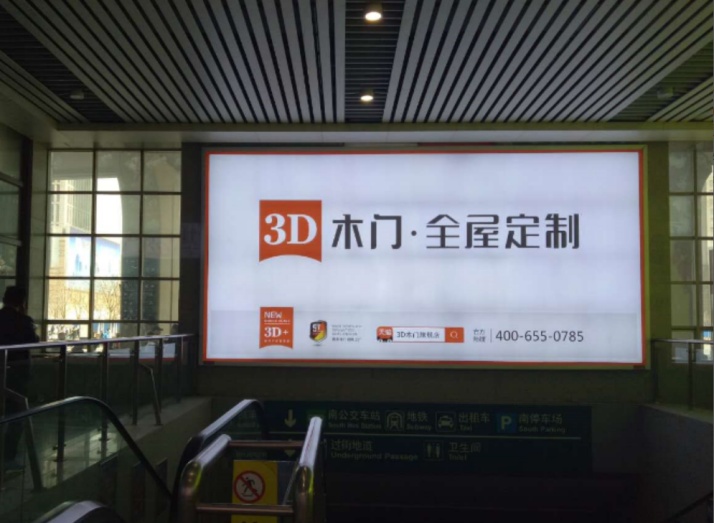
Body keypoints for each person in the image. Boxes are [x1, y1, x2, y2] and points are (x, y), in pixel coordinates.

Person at [0, 286, 39, 471]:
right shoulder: (23, 321)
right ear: (22, 302)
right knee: (17, 413)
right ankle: (8, 457)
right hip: (17, 373)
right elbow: (33, 341)